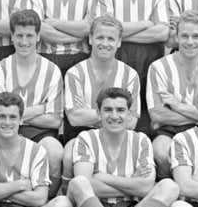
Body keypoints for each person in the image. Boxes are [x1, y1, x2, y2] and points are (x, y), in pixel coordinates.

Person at [67, 88, 177, 207]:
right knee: (78, 183)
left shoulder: (141, 140)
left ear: (129, 114)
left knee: (170, 186)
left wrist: (102, 177)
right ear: (98, 113)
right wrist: (132, 182)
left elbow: (146, 187)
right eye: (108, 110)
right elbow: (86, 184)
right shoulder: (86, 138)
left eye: (120, 110)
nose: (114, 116)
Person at [0, 10, 64, 198]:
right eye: (19, 35)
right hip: (4, 133)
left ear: (38, 36)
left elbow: (54, 120)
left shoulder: (51, 70)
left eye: (29, 35)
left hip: (40, 133)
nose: (24, 41)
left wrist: (14, 116)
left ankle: (46, 204)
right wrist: (40, 109)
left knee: (55, 152)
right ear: (11, 37)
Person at [95, 0, 170, 132]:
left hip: (150, 58)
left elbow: (162, 32)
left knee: (145, 117)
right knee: (118, 110)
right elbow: (104, 30)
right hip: (117, 56)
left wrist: (119, 33)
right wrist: (145, 23)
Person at [60, 14, 141, 191]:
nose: (105, 43)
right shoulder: (75, 73)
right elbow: (74, 118)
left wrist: (91, 114)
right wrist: (116, 116)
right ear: (90, 39)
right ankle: (68, 198)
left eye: (111, 38)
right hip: (82, 134)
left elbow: (132, 122)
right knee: (68, 155)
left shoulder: (130, 75)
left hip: (120, 136)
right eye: (100, 37)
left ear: (119, 42)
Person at [148, 11, 198, 178]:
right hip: (170, 130)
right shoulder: (159, 67)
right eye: (184, 36)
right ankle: (173, 194)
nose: (190, 42)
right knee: (161, 151)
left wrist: (178, 107)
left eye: (196, 36)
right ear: (176, 37)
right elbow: (157, 114)